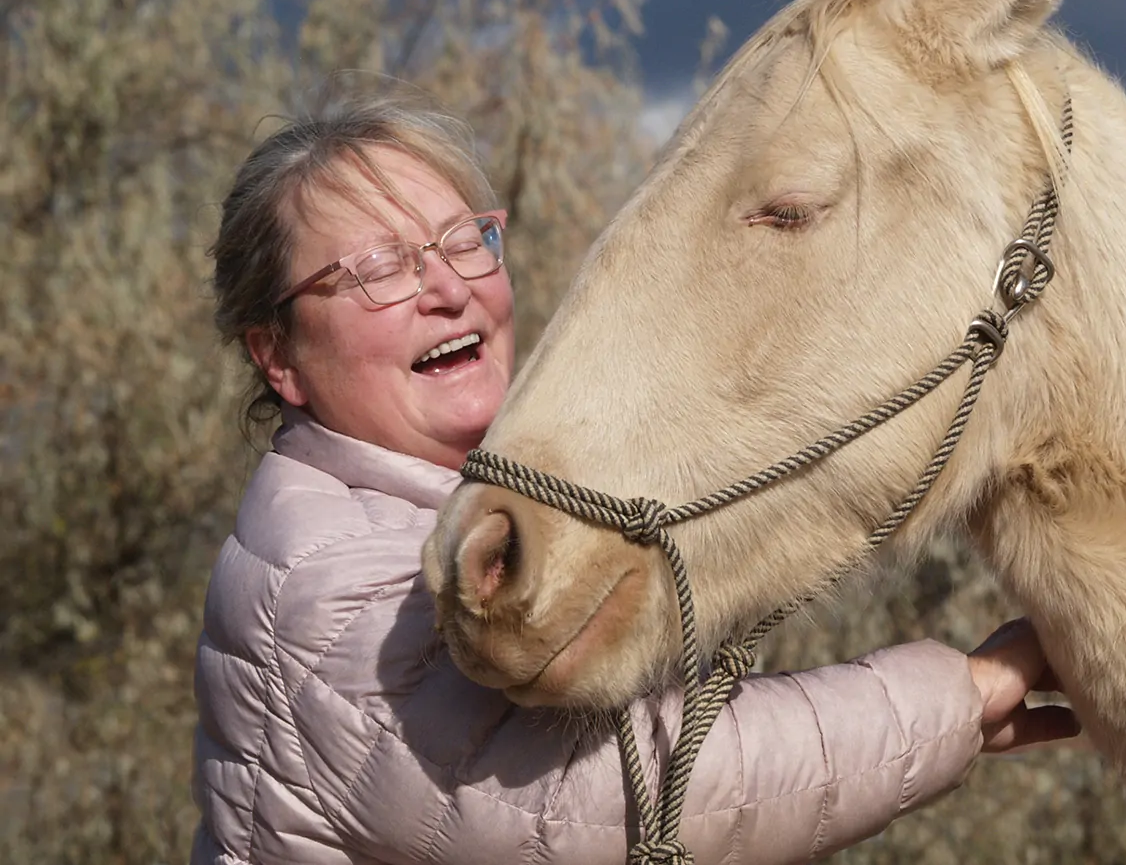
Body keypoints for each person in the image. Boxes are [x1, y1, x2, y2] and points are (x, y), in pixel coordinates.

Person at [191, 80, 1079, 865]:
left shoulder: (463, 516)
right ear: (279, 356)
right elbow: (577, 805)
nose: (448, 288)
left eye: (465, 240)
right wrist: (961, 697)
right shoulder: (318, 581)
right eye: (379, 268)